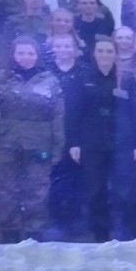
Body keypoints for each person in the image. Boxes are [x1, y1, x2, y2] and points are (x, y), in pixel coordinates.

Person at [0, 37, 64, 243]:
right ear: (13, 55)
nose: (26, 57)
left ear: (38, 56)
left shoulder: (50, 81)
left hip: (40, 144)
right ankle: (9, 236)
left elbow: (58, 116)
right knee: (7, 191)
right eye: (21, 53)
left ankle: (35, 235)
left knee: (38, 191)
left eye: (31, 53)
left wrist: (58, 148)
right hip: (6, 144)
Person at [78, 37, 136, 241]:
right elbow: (75, 112)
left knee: (123, 191)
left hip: (122, 143)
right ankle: (101, 235)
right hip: (92, 143)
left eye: (109, 51)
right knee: (95, 191)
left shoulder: (127, 80)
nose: (105, 55)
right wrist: (74, 143)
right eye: (101, 51)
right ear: (94, 54)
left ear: (116, 54)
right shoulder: (83, 78)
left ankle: (123, 233)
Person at [47, 33, 88, 237]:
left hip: (76, 135)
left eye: (67, 46)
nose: (63, 50)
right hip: (49, 136)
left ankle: (74, 222)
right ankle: (55, 222)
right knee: (52, 179)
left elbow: (87, 110)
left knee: (75, 180)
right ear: (52, 49)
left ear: (75, 49)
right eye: (59, 46)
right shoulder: (45, 73)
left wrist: (78, 141)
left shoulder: (84, 73)